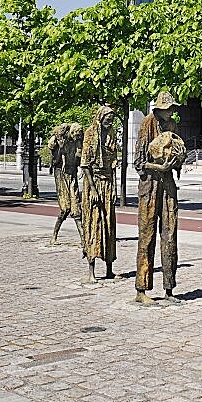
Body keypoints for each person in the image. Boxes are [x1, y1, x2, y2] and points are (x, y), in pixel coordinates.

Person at [134, 92, 184, 305]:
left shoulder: (172, 125)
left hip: (168, 183)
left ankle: (169, 288)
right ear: (159, 108)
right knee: (147, 235)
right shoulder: (147, 123)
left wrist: (177, 162)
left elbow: (178, 151)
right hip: (150, 185)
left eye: (173, 107)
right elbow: (138, 162)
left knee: (170, 233)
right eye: (169, 107)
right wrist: (159, 166)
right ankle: (141, 289)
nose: (172, 111)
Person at [80, 106, 119, 283]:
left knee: (109, 225)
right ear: (100, 117)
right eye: (107, 117)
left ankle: (109, 268)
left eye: (112, 117)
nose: (110, 120)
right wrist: (93, 189)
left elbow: (113, 165)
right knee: (94, 223)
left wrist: (115, 189)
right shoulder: (90, 134)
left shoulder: (111, 134)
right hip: (93, 184)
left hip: (108, 184)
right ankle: (91, 270)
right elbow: (85, 165)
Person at [48, 122, 84, 245]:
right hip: (61, 174)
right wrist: (61, 147)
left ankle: (83, 240)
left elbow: (79, 158)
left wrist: (82, 168)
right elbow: (55, 159)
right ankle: (54, 235)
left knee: (76, 208)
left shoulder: (78, 141)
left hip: (72, 173)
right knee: (65, 209)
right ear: (72, 133)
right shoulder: (60, 140)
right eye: (77, 135)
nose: (78, 137)